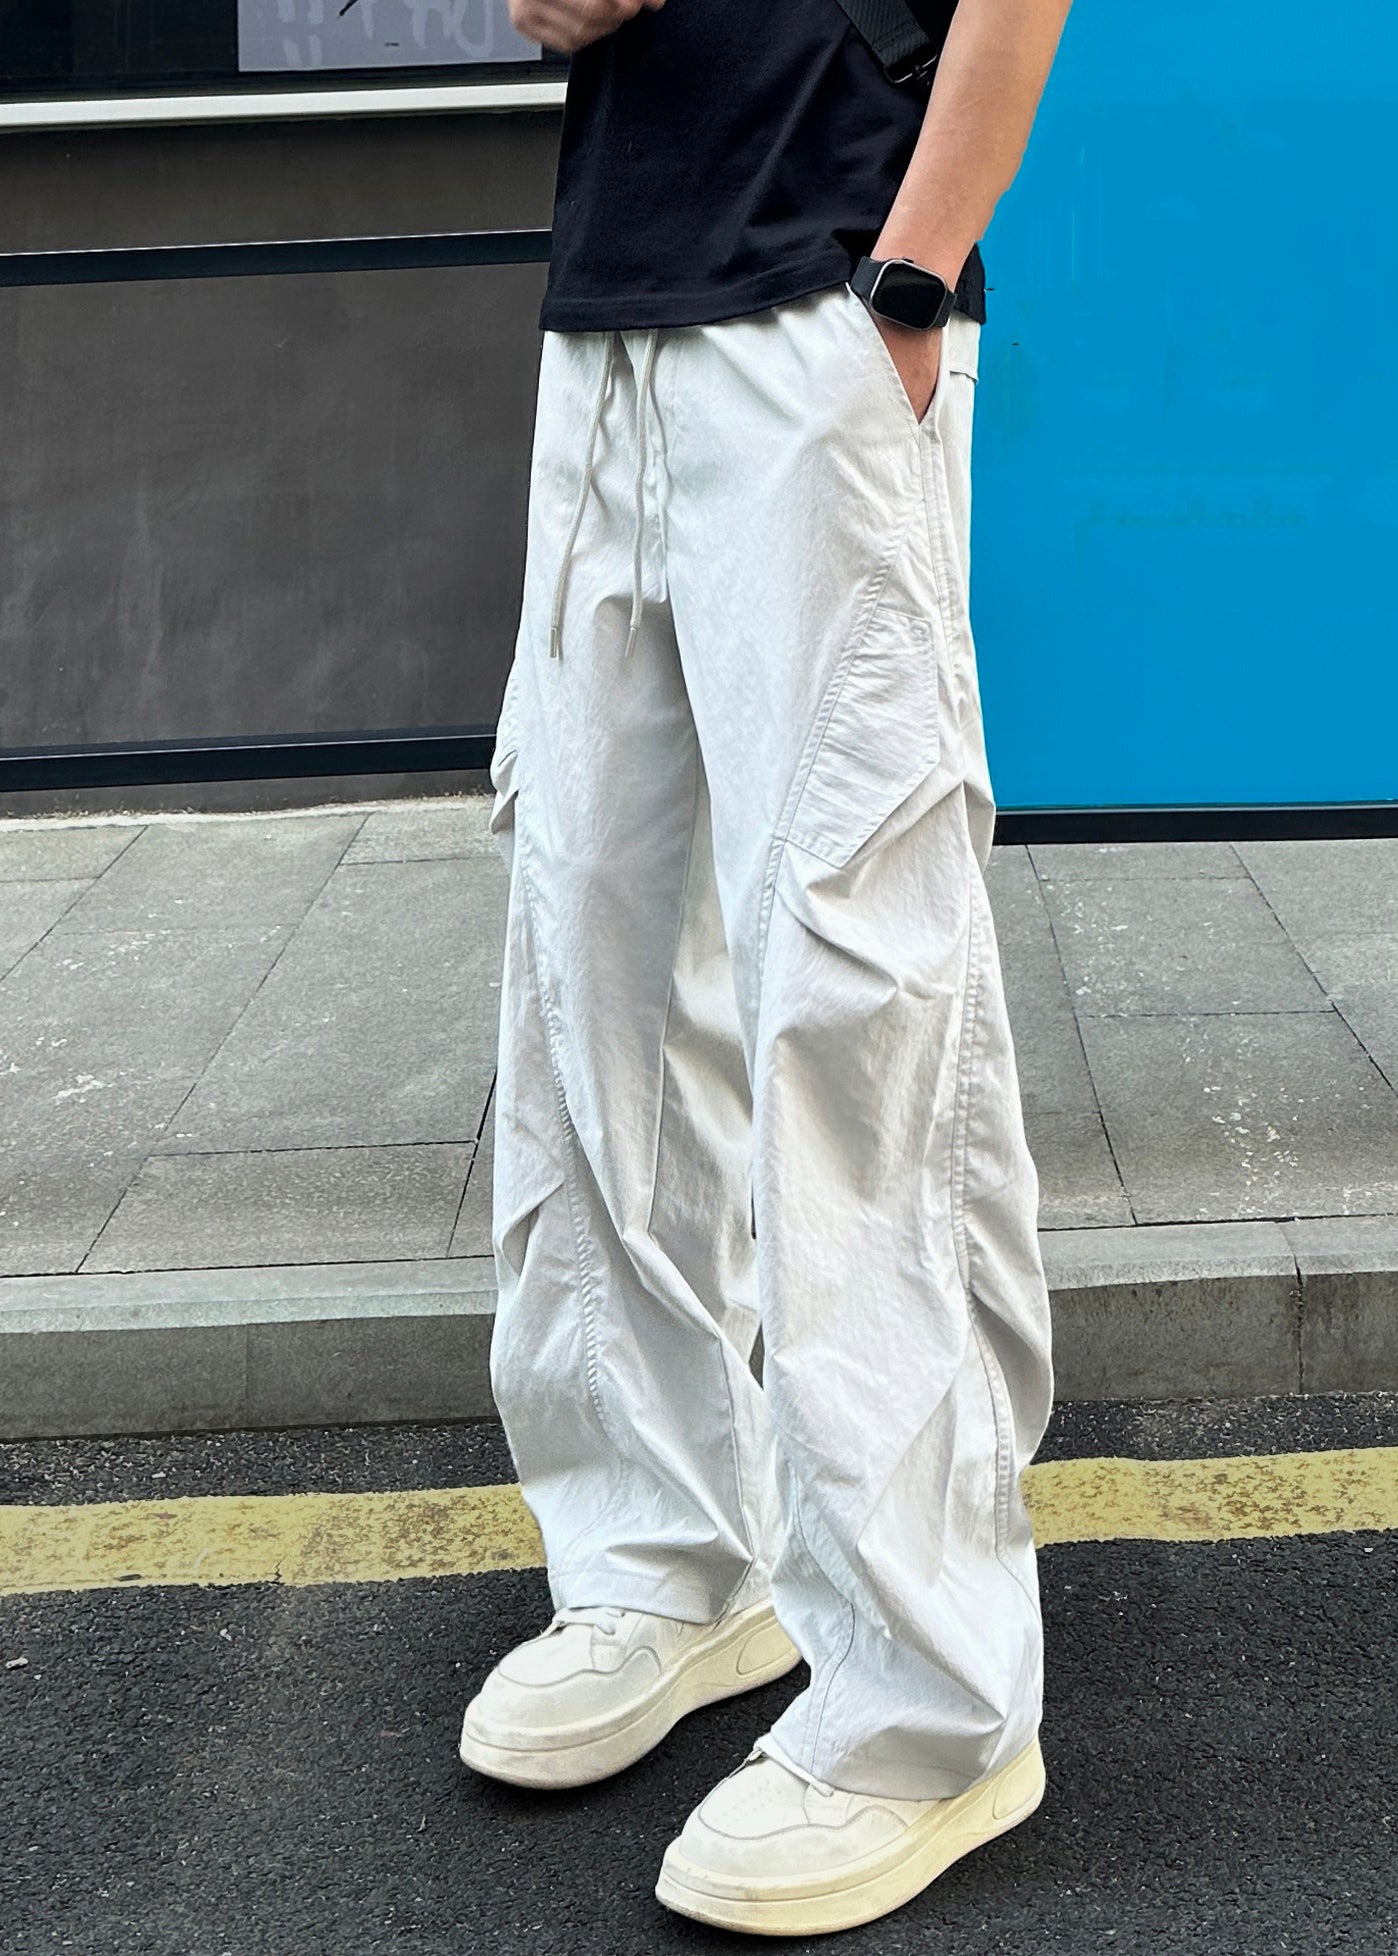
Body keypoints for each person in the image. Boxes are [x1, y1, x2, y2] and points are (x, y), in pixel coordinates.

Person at [459, 0, 1072, 1933]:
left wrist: (910, 278)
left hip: (824, 296)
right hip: (608, 322)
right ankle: (667, 1562)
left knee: (852, 1001)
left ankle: (928, 1705)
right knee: (592, 980)